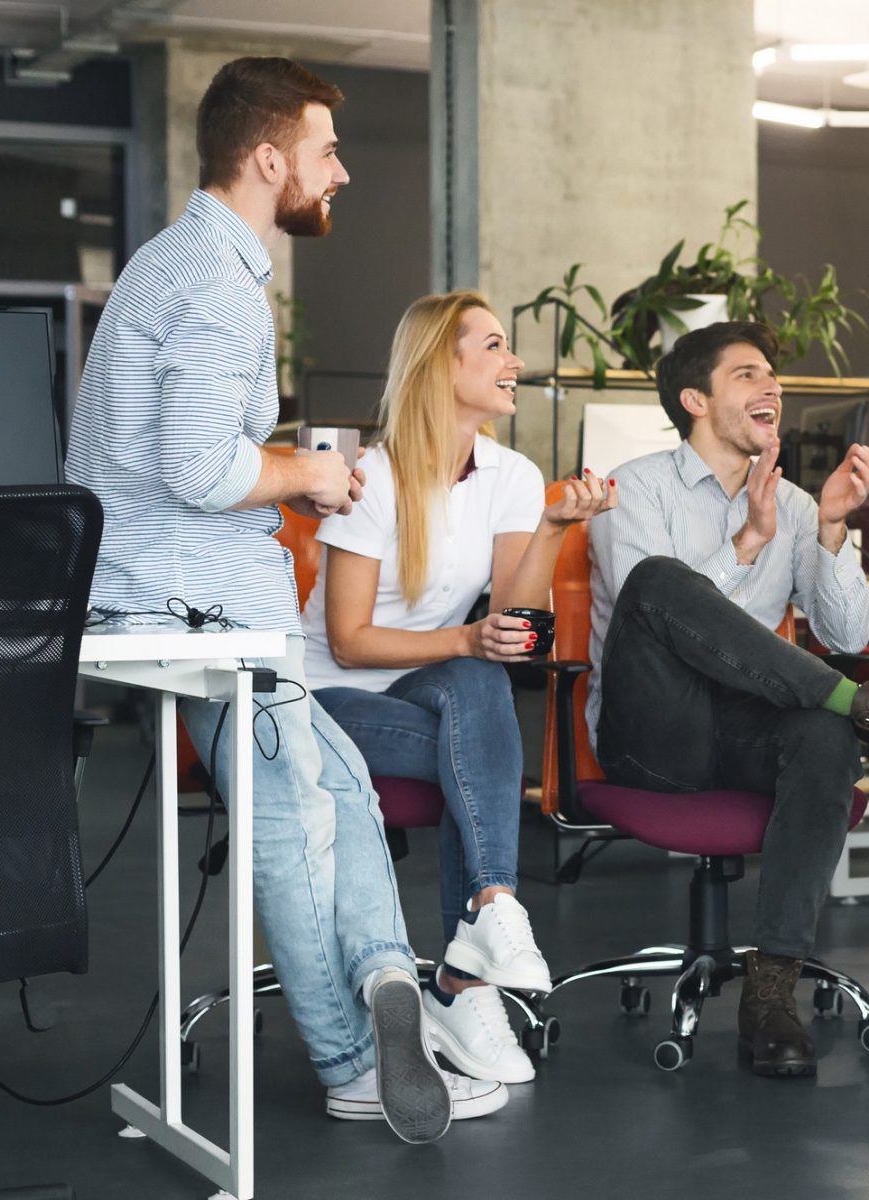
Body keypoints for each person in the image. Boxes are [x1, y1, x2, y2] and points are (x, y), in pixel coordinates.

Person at [65, 57, 499, 1142]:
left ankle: (390, 985)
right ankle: (356, 1060)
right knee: (293, 821)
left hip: (164, 591)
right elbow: (201, 469)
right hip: (192, 605)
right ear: (269, 160)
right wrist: (307, 475)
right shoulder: (220, 283)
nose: (340, 172)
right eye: (325, 152)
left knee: (341, 790)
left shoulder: (170, 265)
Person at [588, 320, 869, 1077]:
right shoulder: (633, 488)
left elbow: (845, 631)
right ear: (694, 399)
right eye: (746, 374)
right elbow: (645, 614)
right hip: (654, 734)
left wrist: (834, 527)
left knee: (823, 733)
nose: (771, 387)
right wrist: (749, 541)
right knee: (658, 580)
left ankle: (771, 991)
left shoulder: (796, 500)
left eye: (772, 376)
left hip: (744, 733)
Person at [303, 290, 613, 1088]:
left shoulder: (512, 474)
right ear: (445, 364)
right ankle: (466, 977)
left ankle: (484, 928)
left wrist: (551, 530)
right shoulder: (374, 475)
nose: (515, 364)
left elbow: (516, 630)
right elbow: (347, 639)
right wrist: (468, 637)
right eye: (497, 346)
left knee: (478, 686)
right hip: (323, 700)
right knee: (472, 737)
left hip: (422, 688)